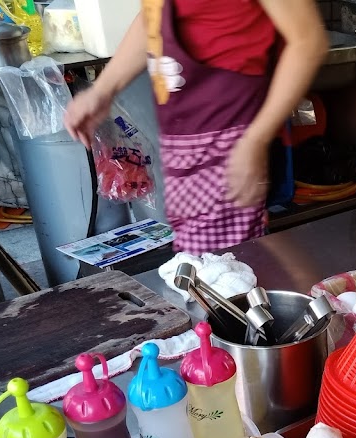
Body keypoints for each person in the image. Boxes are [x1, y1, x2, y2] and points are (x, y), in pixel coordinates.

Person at [64, 0, 328, 253]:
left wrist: (255, 140)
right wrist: (102, 90)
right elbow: (152, 18)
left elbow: (307, 41)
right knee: (202, 270)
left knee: (229, 272)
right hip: (180, 141)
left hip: (229, 141)